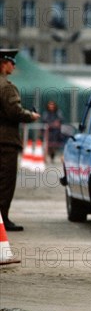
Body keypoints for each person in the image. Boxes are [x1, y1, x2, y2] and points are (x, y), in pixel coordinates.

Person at [0, 49, 41, 231]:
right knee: (5, 182)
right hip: (5, 142)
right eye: (11, 62)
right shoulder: (6, 87)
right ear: (3, 63)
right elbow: (14, 111)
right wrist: (30, 115)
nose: (14, 65)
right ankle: (3, 219)